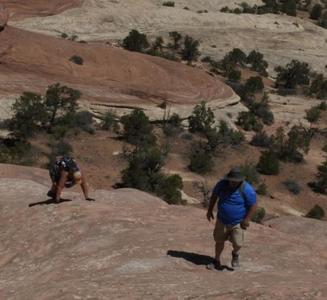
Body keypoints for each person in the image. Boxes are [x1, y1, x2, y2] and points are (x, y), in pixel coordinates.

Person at [206, 167, 257, 269]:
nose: (233, 183)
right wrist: (210, 210)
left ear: (240, 181)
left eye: (235, 181)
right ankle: (216, 260)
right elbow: (214, 196)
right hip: (222, 219)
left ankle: (235, 254)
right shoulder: (222, 184)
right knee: (219, 240)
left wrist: (246, 219)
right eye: (231, 181)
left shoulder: (247, 189)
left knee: (238, 243)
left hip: (238, 221)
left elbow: (253, 205)